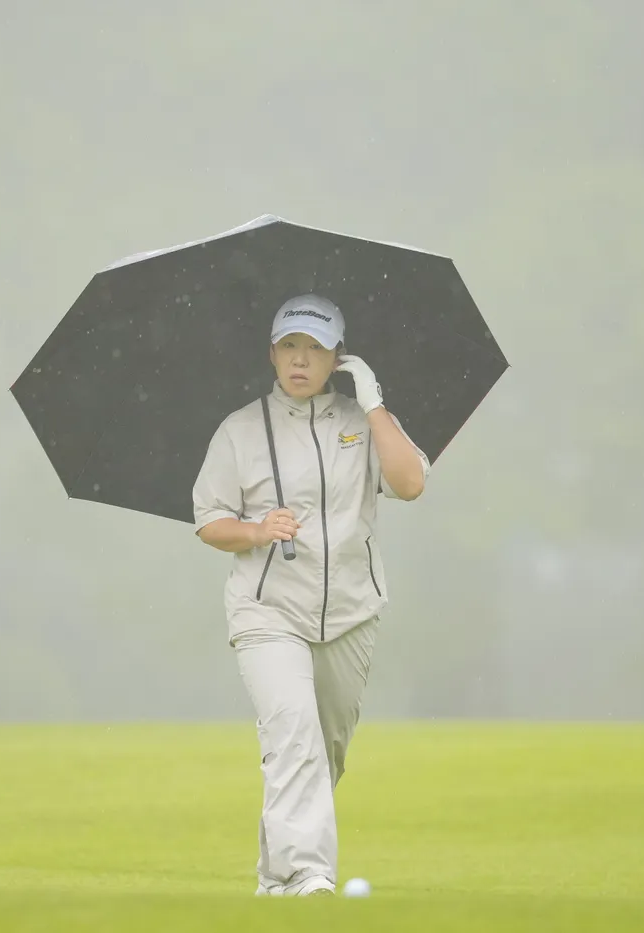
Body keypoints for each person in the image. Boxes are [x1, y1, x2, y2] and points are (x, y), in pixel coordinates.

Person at [191, 293, 430, 896]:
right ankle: (307, 874)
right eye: (289, 346)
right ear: (272, 354)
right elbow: (209, 521)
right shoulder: (241, 429)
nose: (300, 360)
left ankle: (276, 876)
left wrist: (374, 404)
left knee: (326, 752)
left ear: (338, 358)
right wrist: (256, 530)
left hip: (351, 611)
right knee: (293, 734)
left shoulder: (361, 423)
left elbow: (409, 483)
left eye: (315, 349)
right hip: (268, 609)